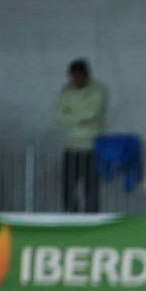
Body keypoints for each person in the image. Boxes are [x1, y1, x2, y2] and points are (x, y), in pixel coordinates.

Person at [57, 59, 107, 213]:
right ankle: (70, 216)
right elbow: (61, 115)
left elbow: (93, 113)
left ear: (86, 76)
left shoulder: (99, 90)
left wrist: (74, 116)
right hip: (71, 146)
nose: (74, 81)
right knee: (68, 186)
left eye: (78, 77)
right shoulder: (66, 91)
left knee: (91, 187)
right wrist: (80, 118)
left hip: (92, 147)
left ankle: (92, 218)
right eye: (72, 77)